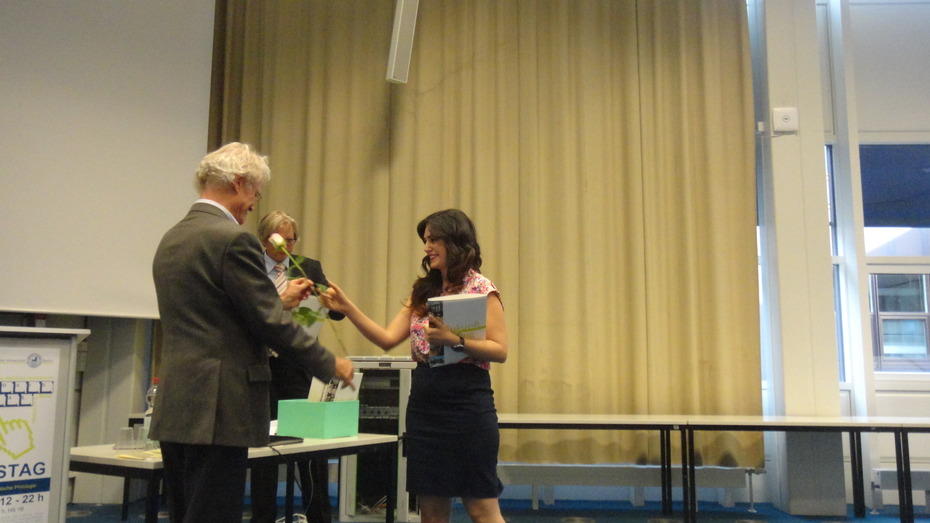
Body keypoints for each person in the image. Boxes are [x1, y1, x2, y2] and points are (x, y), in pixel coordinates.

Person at [149, 142, 354, 523]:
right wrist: (330, 363)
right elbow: (267, 322)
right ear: (239, 183)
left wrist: (280, 302)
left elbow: (218, 314)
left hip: (176, 404)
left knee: (185, 512)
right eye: (255, 194)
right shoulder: (232, 238)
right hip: (220, 406)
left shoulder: (171, 238)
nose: (251, 206)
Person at [321, 209, 508, 523]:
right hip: (425, 405)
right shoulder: (423, 291)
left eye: (433, 240)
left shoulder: (481, 288)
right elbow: (386, 338)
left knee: (481, 509)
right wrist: (347, 308)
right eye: (426, 240)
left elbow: (500, 350)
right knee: (431, 512)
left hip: (468, 406)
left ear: (454, 241)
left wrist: (454, 340)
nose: (427, 247)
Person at [250, 210, 343, 523]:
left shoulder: (308, 267)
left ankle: (318, 516)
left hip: (297, 368)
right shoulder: (250, 267)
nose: (287, 246)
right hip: (260, 367)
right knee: (263, 447)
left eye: (292, 240)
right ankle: (263, 516)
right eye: (281, 240)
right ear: (265, 240)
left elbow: (336, 313)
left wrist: (327, 299)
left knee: (309, 446)